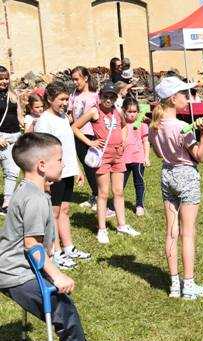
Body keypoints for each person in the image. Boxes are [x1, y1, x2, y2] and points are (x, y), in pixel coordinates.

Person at [0, 132, 110, 341]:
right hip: (17, 273)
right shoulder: (36, 199)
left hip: (15, 268)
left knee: (64, 308)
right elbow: (32, 246)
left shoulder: (28, 190)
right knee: (64, 311)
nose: (63, 164)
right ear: (41, 166)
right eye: (59, 159)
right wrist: (56, 275)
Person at [149, 76, 203, 300]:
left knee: (171, 231)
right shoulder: (182, 127)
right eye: (185, 94)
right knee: (188, 232)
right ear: (173, 99)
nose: (188, 97)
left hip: (167, 174)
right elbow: (199, 156)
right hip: (186, 174)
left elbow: (158, 153)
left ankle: (174, 285)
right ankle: (189, 284)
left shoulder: (154, 126)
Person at [72, 82, 140, 244]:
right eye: (105, 96)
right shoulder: (95, 111)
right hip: (103, 156)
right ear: (100, 97)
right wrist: (90, 143)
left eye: (111, 97)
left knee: (119, 192)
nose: (108, 100)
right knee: (103, 193)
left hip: (117, 155)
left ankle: (122, 225)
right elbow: (75, 127)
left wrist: (123, 141)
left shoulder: (117, 112)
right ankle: (102, 229)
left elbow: (124, 126)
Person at [34, 81, 90, 269]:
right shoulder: (44, 121)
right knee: (53, 213)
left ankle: (68, 247)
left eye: (67, 99)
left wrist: (77, 168)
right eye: (61, 99)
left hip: (66, 171)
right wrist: (46, 178)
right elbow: (40, 151)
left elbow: (68, 145)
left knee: (64, 210)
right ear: (50, 99)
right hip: (53, 174)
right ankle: (55, 251)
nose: (65, 103)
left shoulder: (64, 117)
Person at [69, 66, 101, 212]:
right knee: (86, 166)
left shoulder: (95, 95)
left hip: (91, 134)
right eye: (73, 79)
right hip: (77, 134)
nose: (75, 82)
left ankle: (101, 196)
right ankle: (95, 194)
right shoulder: (73, 95)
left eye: (77, 79)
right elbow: (71, 115)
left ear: (86, 78)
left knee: (93, 166)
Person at [0, 65, 23, 215]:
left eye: (6, 78)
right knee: (11, 170)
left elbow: (19, 114)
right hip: (2, 137)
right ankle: (7, 203)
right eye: (1, 79)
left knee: (12, 170)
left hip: (15, 136)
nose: (4, 81)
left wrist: (27, 123)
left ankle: (7, 203)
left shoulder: (13, 95)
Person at [121, 97, 150, 216]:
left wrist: (146, 157)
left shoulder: (143, 125)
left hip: (138, 159)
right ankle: (114, 205)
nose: (132, 115)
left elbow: (146, 142)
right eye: (129, 112)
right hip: (123, 159)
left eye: (134, 112)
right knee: (120, 184)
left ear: (138, 111)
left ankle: (139, 205)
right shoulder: (121, 124)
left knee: (139, 183)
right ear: (124, 111)